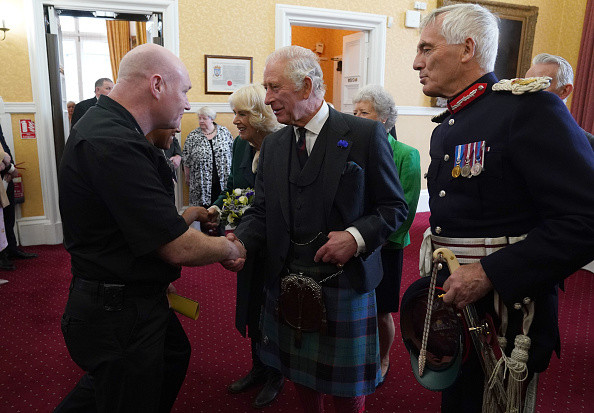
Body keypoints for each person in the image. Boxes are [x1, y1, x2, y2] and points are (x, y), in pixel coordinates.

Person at [412, 4, 594, 412]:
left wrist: (489, 273)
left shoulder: (529, 110)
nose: (416, 62)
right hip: (456, 310)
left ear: (467, 49)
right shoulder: (449, 125)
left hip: (508, 319)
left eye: (426, 48)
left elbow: (587, 219)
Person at [55, 43, 245, 413]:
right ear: (156, 85)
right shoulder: (114, 141)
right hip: (117, 311)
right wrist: (231, 248)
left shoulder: (113, 129)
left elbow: (136, 225)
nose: (187, 104)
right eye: (185, 91)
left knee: (169, 357)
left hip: (127, 295)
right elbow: (177, 247)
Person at [228, 45, 408, 412]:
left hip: (345, 283)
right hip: (284, 280)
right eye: (266, 88)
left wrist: (355, 238)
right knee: (299, 375)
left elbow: (394, 208)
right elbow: (261, 211)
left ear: (307, 86)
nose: (267, 98)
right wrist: (240, 243)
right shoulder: (274, 145)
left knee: (345, 390)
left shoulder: (364, 134)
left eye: (274, 87)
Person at [204, 84, 285, 408]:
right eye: (234, 113)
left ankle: (277, 373)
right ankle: (258, 367)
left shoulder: (284, 144)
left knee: (275, 307)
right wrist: (216, 207)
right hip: (247, 241)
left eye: (241, 114)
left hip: (277, 244)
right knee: (252, 303)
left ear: (260, 115)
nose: (235, 120)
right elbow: (233, 188)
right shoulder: (240, 144)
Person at [352, 84, 421, 386]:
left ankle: (383, 357)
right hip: (354, 242)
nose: (356, 117)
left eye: (363, 112)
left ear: (383, 119)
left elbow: (405, 209)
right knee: (355, 306)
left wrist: (371, 240)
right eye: (354, 112)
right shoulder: (350, 148)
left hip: (386, 246)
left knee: (381, 310)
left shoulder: (406, 154)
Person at [525, 53, 594, 147]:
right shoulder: (510, 130)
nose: (528, 90)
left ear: (565, 91)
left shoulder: (587, 145)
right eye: (526, 84)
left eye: (540, 84)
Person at [182, 107, 233, 208]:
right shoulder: (193, 136)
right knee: (204, 211)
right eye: (199, 118)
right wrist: (187, 176)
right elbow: (186, 158)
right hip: (200, 182)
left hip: (223, 179)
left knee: (224, 207)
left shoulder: (224, 132)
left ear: (212, 119)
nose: (201, 121)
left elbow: (232, 152)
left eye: (204, 118)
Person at [0, 125, 37, 262]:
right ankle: (2, 255)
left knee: (9, 215)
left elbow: (3, 146)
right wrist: (10, 169)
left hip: (6, 176)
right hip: (3, 172)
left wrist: (11, 168)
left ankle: (11, 249)